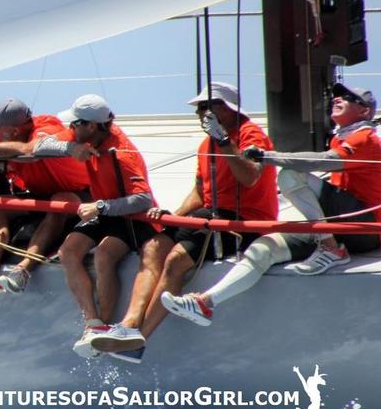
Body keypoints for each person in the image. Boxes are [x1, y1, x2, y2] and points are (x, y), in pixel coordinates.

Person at [162, 83, 381, 327]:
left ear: (365, 112)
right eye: (338, 95)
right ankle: (205, 303)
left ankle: (330, 247)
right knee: (263, 247)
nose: (338, 99)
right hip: (338, 228)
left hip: (364, 229)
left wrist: (269, 157)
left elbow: (324, 162)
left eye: (350, 98)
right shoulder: (341, 139)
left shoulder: (365, 138)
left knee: (289, 175)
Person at [94, 83, 277, 363]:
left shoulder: (250, 135)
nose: (201, 112)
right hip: (210, 213)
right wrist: (174, 217)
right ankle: (128, 325)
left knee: (176, 259)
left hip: (244, 221)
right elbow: (199, 190)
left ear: (227, 107)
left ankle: (138, 339)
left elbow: (250, 177)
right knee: (154, 245)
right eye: (199, 108)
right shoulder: (206, 143)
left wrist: (225, 142)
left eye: (207, 106)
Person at [33, 95, 172, 359]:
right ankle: (93, 323)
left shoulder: (120, 153)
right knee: (68, 251)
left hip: (129, 215)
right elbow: (39, 146)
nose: (70, 130)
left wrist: (100, 207)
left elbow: (142, 198)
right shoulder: (83, 136)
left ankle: (106, 325)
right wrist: (69, 149)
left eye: (74, 125)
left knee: (104, 254)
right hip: (104, 210)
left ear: (91, 126)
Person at [0, 98, 89, 303]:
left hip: (83, 195)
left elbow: (31, 151)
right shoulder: (2, 133)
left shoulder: (47, 127)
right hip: (42, 195)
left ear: (14, 131)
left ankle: (22, 270)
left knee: (61, 200)